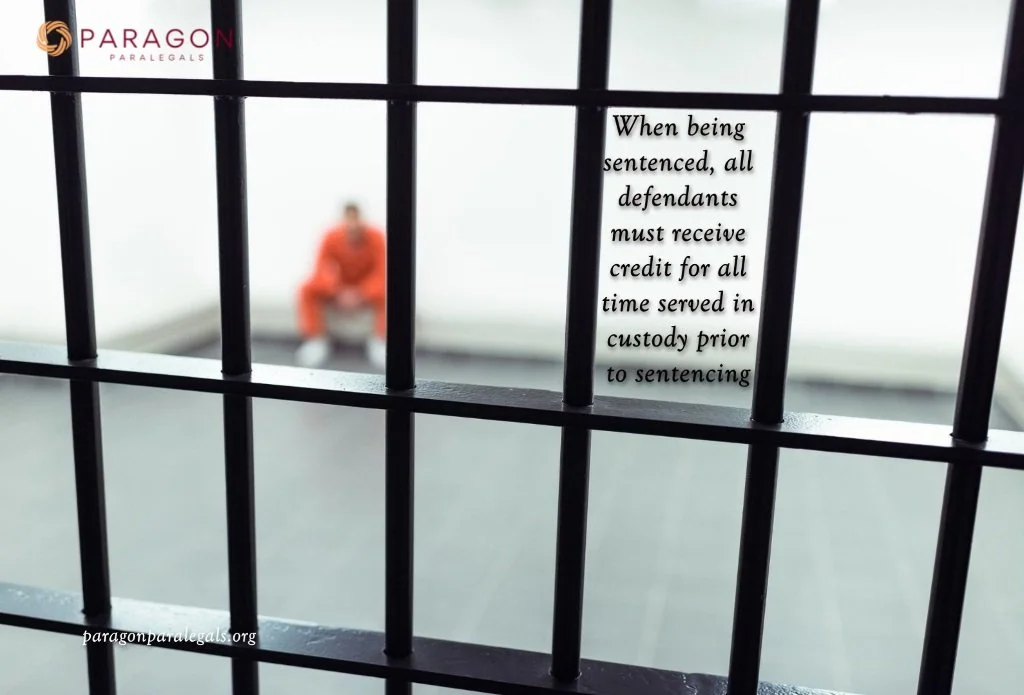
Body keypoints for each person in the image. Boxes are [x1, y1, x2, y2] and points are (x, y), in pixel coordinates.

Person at [296, 202, 386, 369]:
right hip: (339, 287)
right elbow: (322, 267)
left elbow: (380, 272)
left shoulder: (376, 237)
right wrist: (336, 290)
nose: (352, 226)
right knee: (306, 289)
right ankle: (315, 339)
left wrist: (362, 293)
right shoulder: (331, 236)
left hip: (364, 287)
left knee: (389, 291)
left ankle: (379, 340)